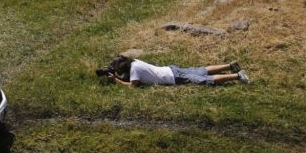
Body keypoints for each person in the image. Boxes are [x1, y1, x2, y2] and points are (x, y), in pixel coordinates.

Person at [101, 55, 249, 87]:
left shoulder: (134, 70)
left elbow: (133, 86)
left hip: (172, 78)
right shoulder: (134, 62)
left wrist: (116, 79)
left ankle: (237, 75)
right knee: (201, 70)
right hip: (170, 69)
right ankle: (230, 65)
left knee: (204, 80)